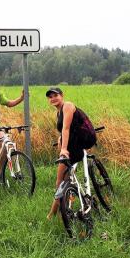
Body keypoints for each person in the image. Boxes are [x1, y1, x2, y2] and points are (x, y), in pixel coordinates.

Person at [45, 86, 96, 219]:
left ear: (62, 95)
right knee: (65, 177)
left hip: (83, 139)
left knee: (60, 180)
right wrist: (60, 141)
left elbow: (66, 128)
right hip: (76, 141)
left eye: (55, 95)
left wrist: (63, 149)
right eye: (50, 97)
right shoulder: (58, 113)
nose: (53, 98)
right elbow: (64, 131)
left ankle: (52, 214)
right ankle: (63, 206)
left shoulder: (67, 106)